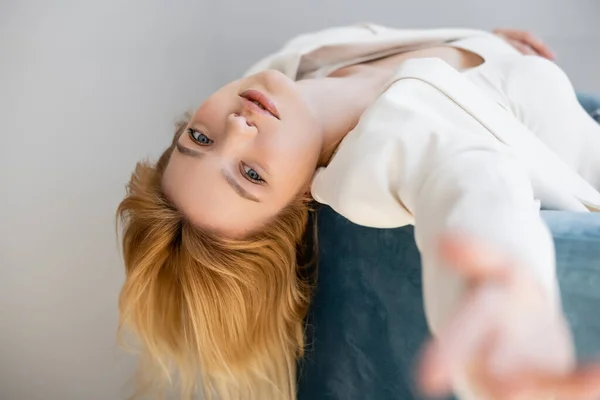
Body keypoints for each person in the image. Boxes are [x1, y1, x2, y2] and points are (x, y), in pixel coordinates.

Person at [116, 23, 600, 400]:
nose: (238, 127)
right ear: (301, 198)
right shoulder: (385, 157)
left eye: (199, 140)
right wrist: (505, 292)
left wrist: (491, 50)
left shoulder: (293, 64)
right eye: (251, 175)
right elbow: (470, 189)